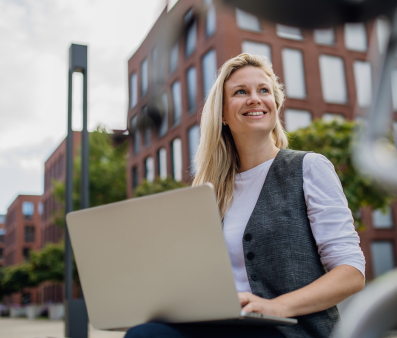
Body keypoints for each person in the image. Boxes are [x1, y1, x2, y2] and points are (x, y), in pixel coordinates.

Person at [125, 54, 365, 338]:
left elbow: (351, 272)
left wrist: (276, 306)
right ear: (223, 114)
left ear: (275, 105)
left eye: (264, 90)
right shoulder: (209, 192)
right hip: (222, 324)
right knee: (146, 334)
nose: (255, 99)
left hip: (289, 330)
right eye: (241, 92)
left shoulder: (309, 168)